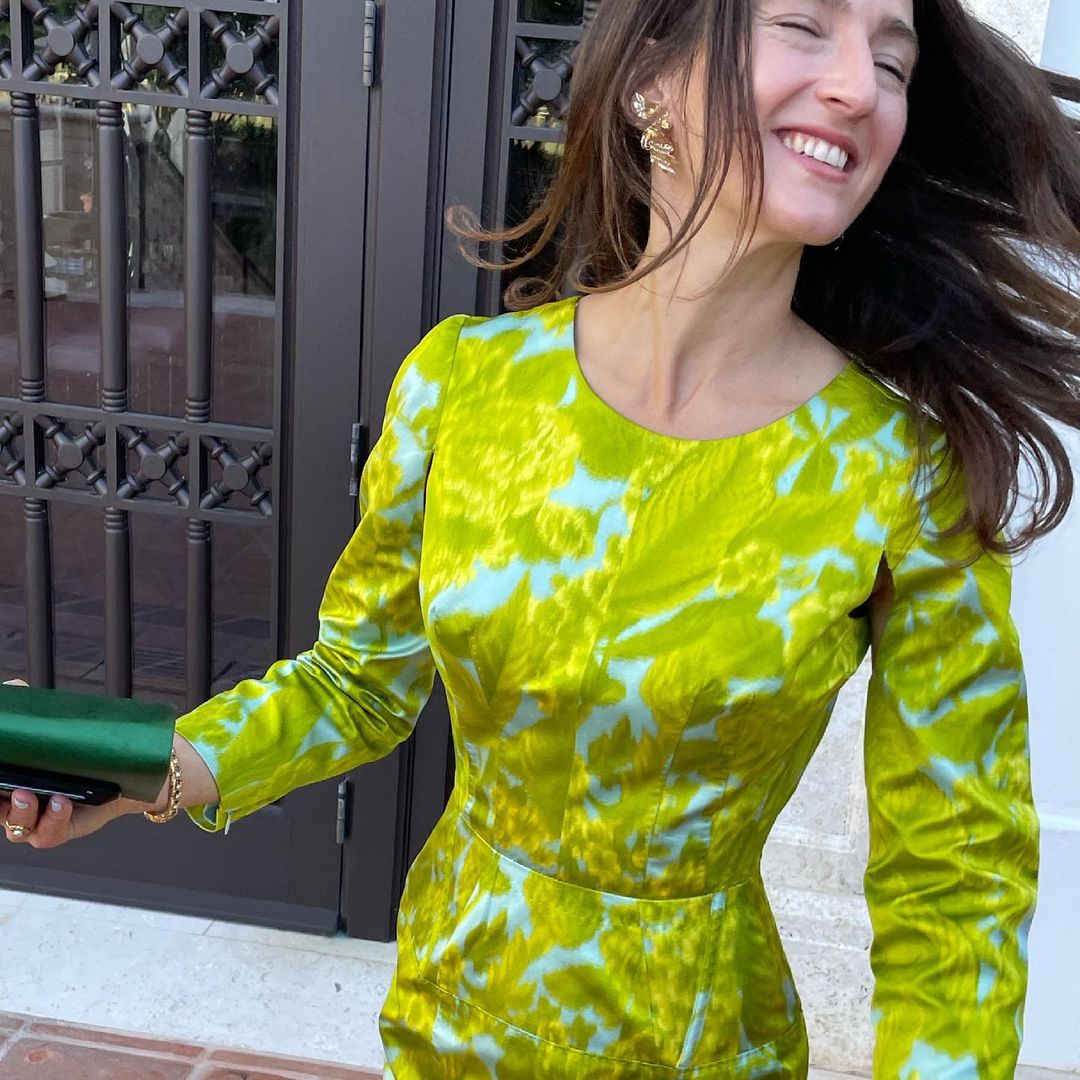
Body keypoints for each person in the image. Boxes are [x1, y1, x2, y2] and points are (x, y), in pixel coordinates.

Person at [5, 0, 1080, 1075]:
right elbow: (356, 684)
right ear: (648, 82)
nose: (857, 86)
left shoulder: (902, 472)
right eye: (803, 24)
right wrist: (140, 772)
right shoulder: (466, 386)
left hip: (700, 1050)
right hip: (451, 1021)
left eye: (893, 63)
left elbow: (957, 876)